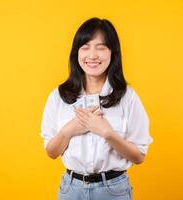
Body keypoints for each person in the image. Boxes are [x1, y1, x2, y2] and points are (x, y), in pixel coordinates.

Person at [40, 17, 153, 200]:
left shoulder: (127, 97)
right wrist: (69, 130)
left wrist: (107, 133)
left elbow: (139, 156)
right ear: (76, 53)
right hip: (71, 190)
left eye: (101, 48)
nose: (92, 55)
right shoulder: (59, 96)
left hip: (113, 191)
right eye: (85, 47)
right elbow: (51, 152)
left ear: (112, 54)